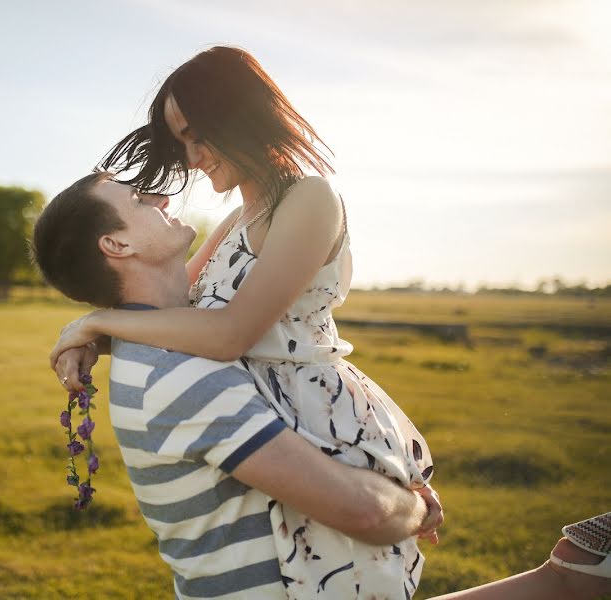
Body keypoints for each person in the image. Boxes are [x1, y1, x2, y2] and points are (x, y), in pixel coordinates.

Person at [36, 172, 610, 600]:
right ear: (117, 246)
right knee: (564, 589)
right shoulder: (177, 370)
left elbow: (249, 222)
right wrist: (414, 505)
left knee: (566, 583)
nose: (160, 196)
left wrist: (94, 326)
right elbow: (363, 514)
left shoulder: (174, 337)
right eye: (138, 200)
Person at [49, 46, 434, 598]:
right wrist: (100, 336)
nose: (192, 155)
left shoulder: (309, 199)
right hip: (269, 418)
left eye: (198, 134)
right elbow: (179, 314)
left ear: (242, 115)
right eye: (180, 140)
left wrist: (98, 322)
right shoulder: (236, 217)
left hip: (318, 421)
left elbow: (231, 333)